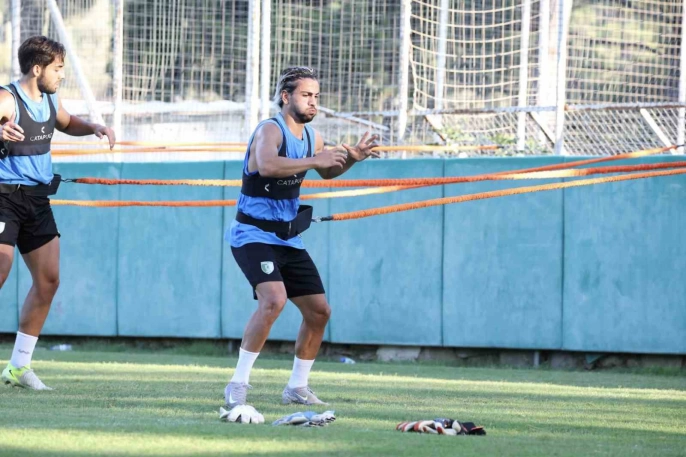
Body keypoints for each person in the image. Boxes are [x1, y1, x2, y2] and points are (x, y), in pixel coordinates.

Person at [225, 67, 379, 412]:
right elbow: (267, 165)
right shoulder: (270, 130)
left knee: (319, 311)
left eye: (316, 96)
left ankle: (297, 387)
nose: (313, 102)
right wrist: (314, 160)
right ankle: (237, 383)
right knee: (273, 301)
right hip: (252, 235)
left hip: (288, 239)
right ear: (286, 97)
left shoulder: (313, 138)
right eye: (306, 95)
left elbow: (328, 171)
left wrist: (352, 159)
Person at [0, 36, 116, 390]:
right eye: (58, 68)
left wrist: (93, 128)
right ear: (38, 69)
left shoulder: (50, 99)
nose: (62, 75)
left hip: (36, 201)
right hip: (4, 198)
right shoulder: (6, 99)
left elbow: (65, 122)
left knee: (48, 281)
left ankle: (18, 367)